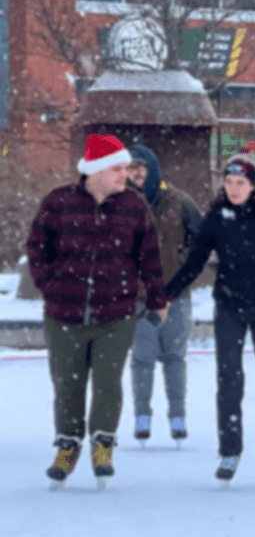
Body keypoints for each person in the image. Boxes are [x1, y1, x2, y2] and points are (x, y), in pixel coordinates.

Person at [27, 134, 168, 489]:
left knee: (107, 383)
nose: (126, 175)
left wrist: (157, 298)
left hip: (115, 314)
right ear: (97, 170)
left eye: (126, 169)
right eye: (118, 169)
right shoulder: (59, 202)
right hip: (64, 314)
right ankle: (67, 446)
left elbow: (150, 257)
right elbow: (36, 246)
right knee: (67, 385)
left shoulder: (135, 207)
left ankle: (102, 444)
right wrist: (50, 284)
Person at [163, 155, 255, 484]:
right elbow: (195, 261)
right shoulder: (216, 216)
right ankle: (229, 451)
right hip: (229, 307)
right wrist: (167, 292)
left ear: (252, 185)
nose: (233, 188)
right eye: (228, 182)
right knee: (229, 381)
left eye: (240, 183)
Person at [125, 144, 204, 445]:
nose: (136, 174)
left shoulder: (180, 202)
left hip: (176, 297)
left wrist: (184, 269)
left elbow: (202, 242)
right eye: (131, 169)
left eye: (140, 167)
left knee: (174, 358)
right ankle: (142, 417)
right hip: (140, 299)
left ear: (152, 168)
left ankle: (177, 417)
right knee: (142, 360)